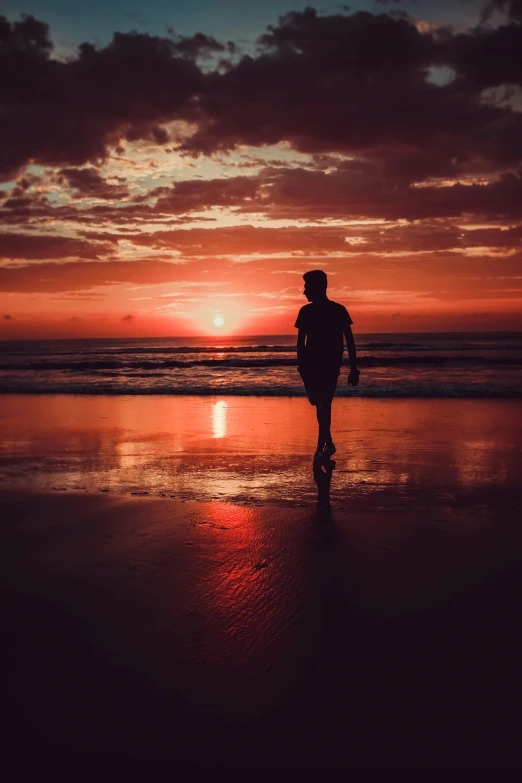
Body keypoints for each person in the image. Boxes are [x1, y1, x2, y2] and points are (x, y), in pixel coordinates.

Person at [295, 269, 359, 461]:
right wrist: (302, 367)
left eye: (307, 287)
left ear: (318, 287)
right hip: (310, 367)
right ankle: (329, 443)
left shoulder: (338, 310)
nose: (304, 291)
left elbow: (349, 340)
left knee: (324, 405)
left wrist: (353, 368)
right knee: (319, 405)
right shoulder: (305, 312)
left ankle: (319, 449)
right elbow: (300, 343)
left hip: (330, 365)